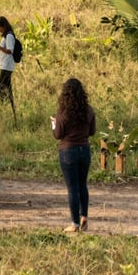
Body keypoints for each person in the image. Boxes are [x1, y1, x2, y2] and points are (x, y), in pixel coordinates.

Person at [52, 77, 96, 233]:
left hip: (68, 151)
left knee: (72, 189)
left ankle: (74, 224)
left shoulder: (63, 112)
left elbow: (58, 134)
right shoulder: (89, 110)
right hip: (84, 150)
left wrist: (53, 124)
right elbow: (92, 132)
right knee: (82, 185)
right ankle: (84, 216)